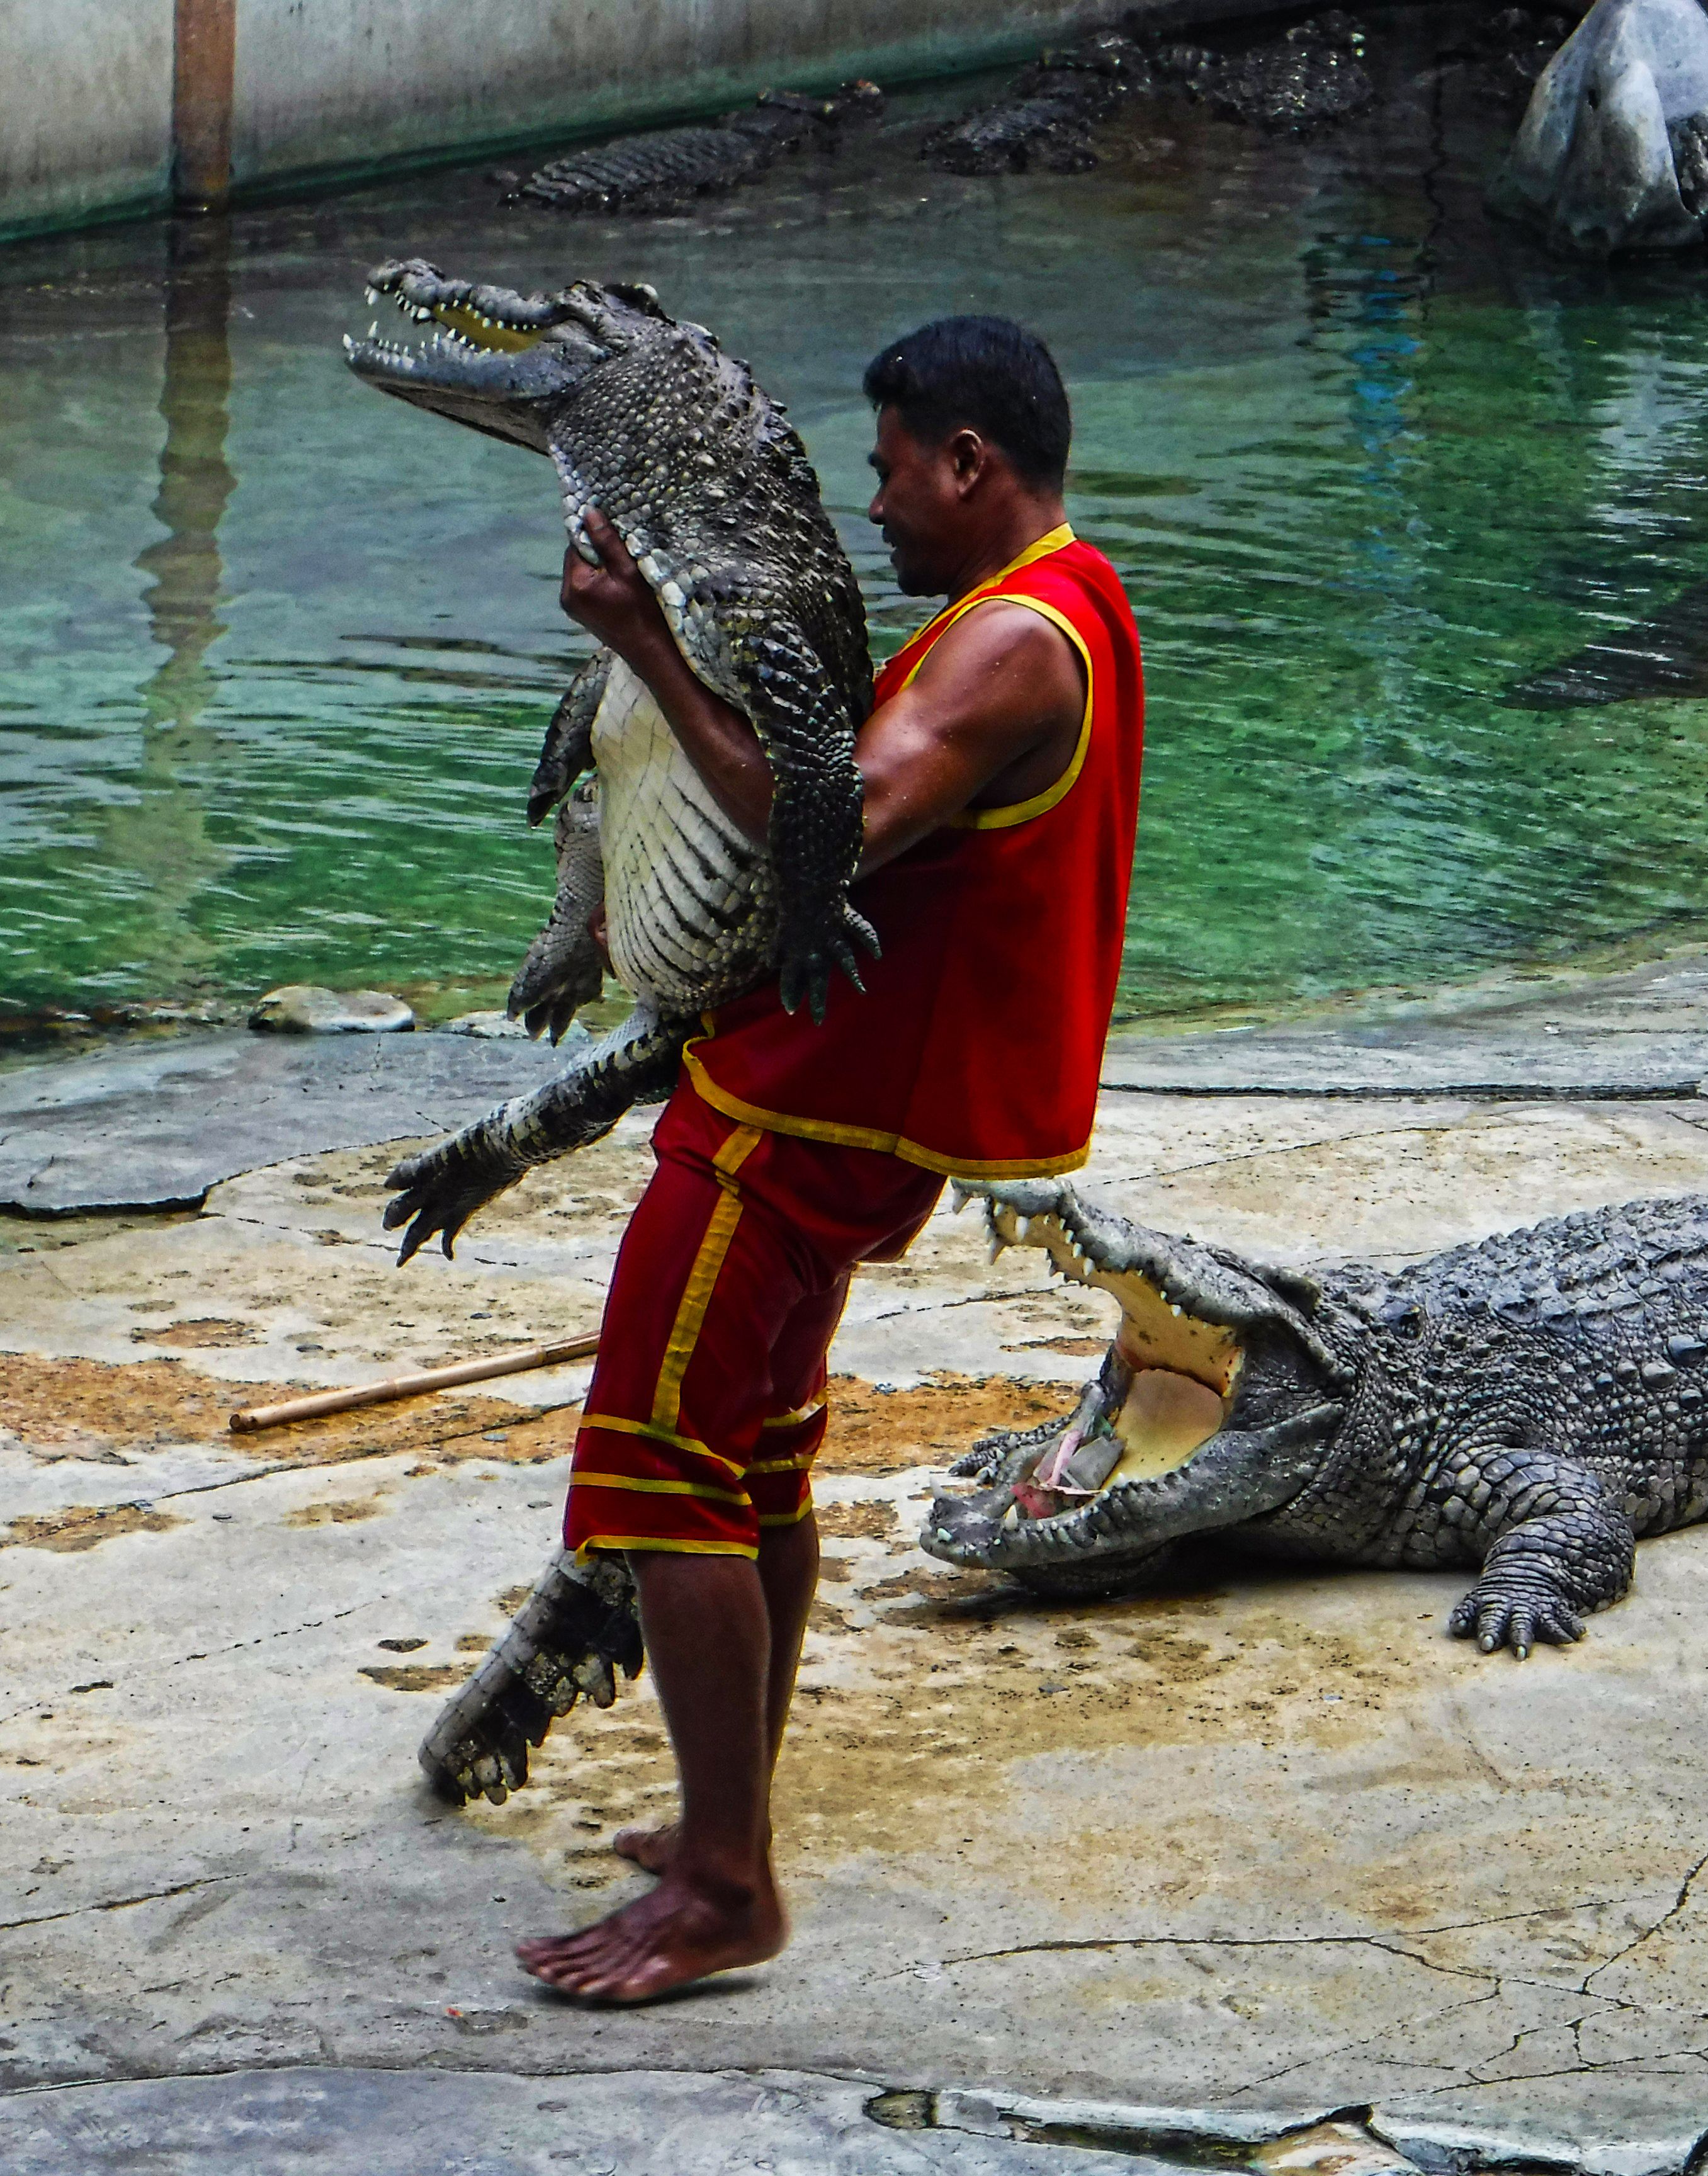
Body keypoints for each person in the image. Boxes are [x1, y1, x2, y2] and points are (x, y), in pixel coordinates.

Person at [513, 316, 1145, 2003]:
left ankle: (727, 1884)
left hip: (797, 1123)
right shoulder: (1067, 603)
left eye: (889, 469)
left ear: (970, 464)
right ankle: (734, 1820)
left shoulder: (1007, 647)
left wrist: (640, 641)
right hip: (844, 1116)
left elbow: (823, 829)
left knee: (656, 1471)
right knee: (758, 1464)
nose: (873, 505)